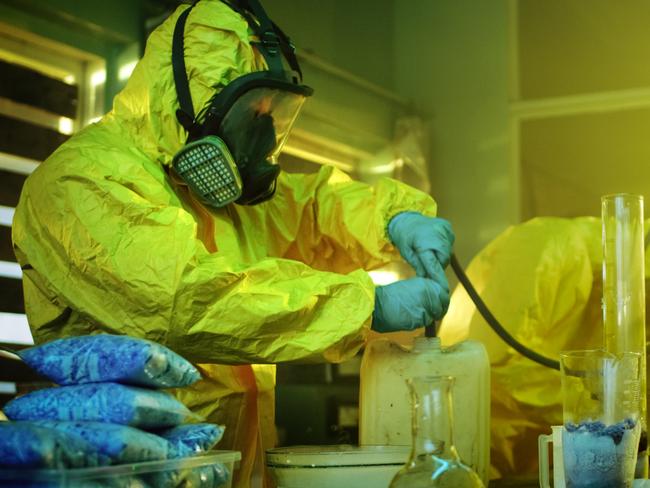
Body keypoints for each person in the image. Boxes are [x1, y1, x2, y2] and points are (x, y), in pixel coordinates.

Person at [11, 1, 454, 487]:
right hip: (129, 474)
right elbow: (185, 299)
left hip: (232, 472)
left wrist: (395, 219)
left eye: (275, 112)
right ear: (193, 100)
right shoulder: (80, 181)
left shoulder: (218, 195)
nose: (263, 132)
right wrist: (366, 306)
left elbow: (310, 207)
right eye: (252, 111)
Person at [439, 216, 607, 478]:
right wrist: (598, 405)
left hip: (522, 457)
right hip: (464, 443)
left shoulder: (616, 301)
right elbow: (501, 363)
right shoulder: (548, 243)